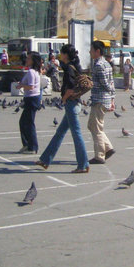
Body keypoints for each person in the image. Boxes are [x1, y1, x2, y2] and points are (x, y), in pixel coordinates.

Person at [35, 45, 89, 173]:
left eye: (61, 53)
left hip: (71, 104)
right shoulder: (73, 66)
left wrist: (64, 99)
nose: (60, 55)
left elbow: (70, 89)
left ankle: (83, 164)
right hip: (74, 103)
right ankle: (45, 160)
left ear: (65, 55)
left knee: (76, 134)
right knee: (60, 132)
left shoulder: (70, 68)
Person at [88, 40, 116, 165]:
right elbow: (111, 82)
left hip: (100, 99)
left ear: (97, 51)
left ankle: (100, 155)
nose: (90, 52)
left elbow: (106, 83)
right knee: (92, 125)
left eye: (91, 50)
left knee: (96, 127)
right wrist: (112, 98)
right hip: (103, 99)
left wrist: (91, 84)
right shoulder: (107, 64)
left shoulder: (99, 65)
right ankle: (108, 148)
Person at [16, 52, 42, 154]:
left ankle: (33, 147)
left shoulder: (31, 72)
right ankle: (27, 144)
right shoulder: (34, 71)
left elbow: (31, 87)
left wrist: (21, 85)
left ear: (33, 61)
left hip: (32, 99)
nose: (26, 60)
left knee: (29, 123)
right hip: (30, 98)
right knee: (23, 122)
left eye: (29, 58)